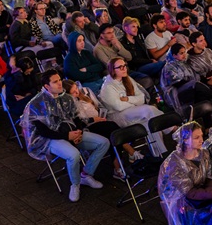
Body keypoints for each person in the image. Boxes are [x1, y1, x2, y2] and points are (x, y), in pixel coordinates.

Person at [20, 69, 109, 202]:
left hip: (70, 132)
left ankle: (86, 174)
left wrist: (79, 132)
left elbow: (77, 118)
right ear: (46, 86)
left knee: (104, 143)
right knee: (73, 155)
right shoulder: (37, 103)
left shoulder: (67, 98)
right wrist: (67, 136)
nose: (60, 83)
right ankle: (75, 184)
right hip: (48, 139)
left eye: (60, 80)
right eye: (55, 82)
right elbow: (43, 131)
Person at [98, 57, 165, 155]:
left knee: (150, 124)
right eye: (120, 67)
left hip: (133, 111)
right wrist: (135, 101)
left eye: (125, 66)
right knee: (149, 109)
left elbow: (142, 97)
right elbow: (119, 106)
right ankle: (170, 128)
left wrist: (128, 99)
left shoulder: (127, 79)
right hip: (118, 116)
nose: (124, 69)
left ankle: (160, 155)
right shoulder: (107, 87)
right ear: (113, 70)